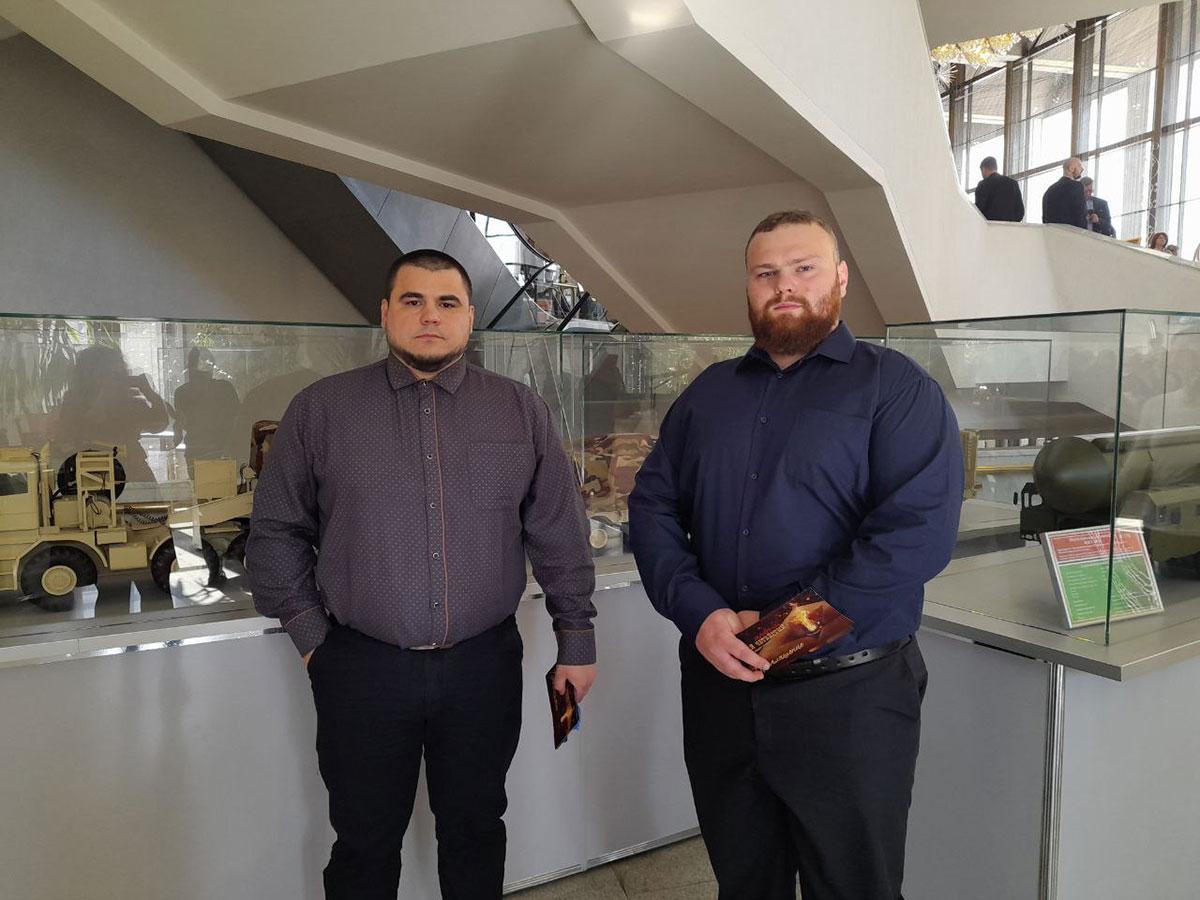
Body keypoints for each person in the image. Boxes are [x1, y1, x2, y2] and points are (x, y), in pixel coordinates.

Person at [628, 210, 963, 900]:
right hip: (722, 690)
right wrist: (698, 612)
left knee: (854, 886)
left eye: (803, 269)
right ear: (749, 287)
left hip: (849, 699)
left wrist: (783, 634)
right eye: (766, 274)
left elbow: (914, 535)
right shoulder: (708, 395)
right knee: (745, 881)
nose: (784, 286)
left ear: (839, 279)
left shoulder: (896, 390)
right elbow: (652, 507)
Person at [247, 248, 597, 899]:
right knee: (363, 841)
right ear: (385, 313)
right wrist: (315, 643)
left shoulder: (519, 410)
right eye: (413, 301)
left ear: (469, 317)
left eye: (447, 302)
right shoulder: (321, 410)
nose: (430, 316)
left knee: (476, 830)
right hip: (361, 667)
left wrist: (576, 639)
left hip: (482, 668)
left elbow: (559, 533)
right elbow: (274, 534)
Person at [172, 347, 240, 471]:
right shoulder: (224, 388)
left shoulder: (182, 392)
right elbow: (236, 420)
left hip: (218, 452)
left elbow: (236, 420)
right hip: (209, 452)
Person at [973, 156, 1024, 222]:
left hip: (989, 226)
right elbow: (1020, 212)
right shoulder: (1013, 183)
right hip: (1010, 226)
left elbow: (978, 211)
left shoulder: (982, 185)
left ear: (984, 169)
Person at [1042, 157, 1088, 229]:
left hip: (1052, 232)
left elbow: (1045, 217)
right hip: (1072, 232)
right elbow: (1080, 214)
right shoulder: (1076, 186)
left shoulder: (1050, 189)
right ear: (1071, 168)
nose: (1082, 169)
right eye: (1079, 166)